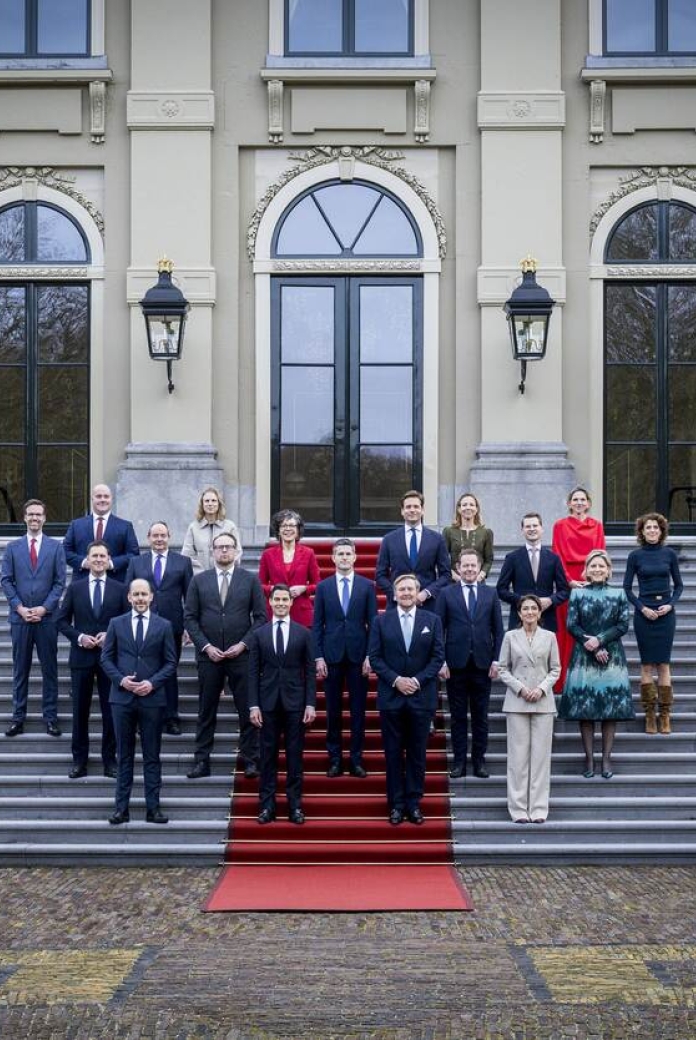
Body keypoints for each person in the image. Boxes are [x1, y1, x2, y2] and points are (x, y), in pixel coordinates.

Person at [184, 531, 266, 779]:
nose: (223, 551)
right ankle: (201, 761)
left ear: (236, 550)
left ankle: (251, 759)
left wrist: (243, 644)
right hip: (209, 657)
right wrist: (206, 647)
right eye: (219, 547)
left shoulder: (250, 580)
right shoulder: (199, 581)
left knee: (246, 709)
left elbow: (261, 618)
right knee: (206, 710)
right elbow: (189, 617)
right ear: (212, 551)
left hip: (241, 656)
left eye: (228, 547)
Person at [368, 573, 445, 825]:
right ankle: (396, 804)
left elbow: (437, 658)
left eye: (410, 589)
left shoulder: (432, 621)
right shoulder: (381, 621)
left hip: (422, 698)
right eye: (401, 589)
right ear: (394, 593)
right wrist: (396, 680)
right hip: (391, 697)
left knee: (416, 753)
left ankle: (413, 803)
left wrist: (417, 681)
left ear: (417, 592)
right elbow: (375, 658)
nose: (406, 593)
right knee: (392, 753)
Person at [101, 579, 177, 824]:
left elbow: (170, 662)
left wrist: (152, 683)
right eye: (137, 594)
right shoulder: (116, 623)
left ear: (151, 597)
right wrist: (121, 680)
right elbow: (106, 659)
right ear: (129, 598)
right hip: (122, 699)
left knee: (152, 755)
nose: (141, 598)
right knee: (124, 755)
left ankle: (153, 808)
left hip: (152, 699)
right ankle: (121, 809)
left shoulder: (164, 625)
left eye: (145, 594)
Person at [557, 550, 634, 779]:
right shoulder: (578, 595)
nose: (597, 570)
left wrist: (600, 640)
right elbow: (572, 624)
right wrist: (590, 643)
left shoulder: (619, 593)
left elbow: (623, 625)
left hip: (612, 657)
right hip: (584, 657)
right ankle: (589, 759)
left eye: (601, 566)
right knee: (586, 710)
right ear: (586, 570)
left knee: (610, 710)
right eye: (593, 566)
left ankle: (606, 759)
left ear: (608, 570)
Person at [57, 540, 127, 778]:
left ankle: (110, 761)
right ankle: (79, 760)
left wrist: (111, 634)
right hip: (81, 658)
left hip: (110, 660)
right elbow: (61, 621)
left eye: (102, 556)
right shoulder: (75, 588)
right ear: (87, 560)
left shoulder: (120, 588)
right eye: (94, 556)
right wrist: (79, 637)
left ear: (108, 560)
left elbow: (127, 621)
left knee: (110, 712)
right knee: (80, 712)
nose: (98, 560)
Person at [248, 584, 317, 824]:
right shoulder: (258, 634)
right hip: (266, 705)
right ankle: (267, 806)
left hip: (295, 704)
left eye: (284, 599)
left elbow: (309, 671)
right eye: (276, 599)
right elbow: (252, 671)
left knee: (294, 757)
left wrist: (310, 704)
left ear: (291, 602)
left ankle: (295, 805)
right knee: (267, 757)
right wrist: (253, 705)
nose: (280, 603)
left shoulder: (304, 634)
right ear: (270, 602)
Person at [435, 548, 504, 779]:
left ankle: (479, 761)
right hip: (455, 664)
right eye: (465, 565)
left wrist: (496, 660)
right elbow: (438, 630)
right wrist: (441, 661)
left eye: (473, 565)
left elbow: (498, 630)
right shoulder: (446, 594)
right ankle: (458, 763)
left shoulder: (490, 594)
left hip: (483, 664)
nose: (469, 569)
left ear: (480, 567)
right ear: (458, 568)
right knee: (457, 717)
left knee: (480, 716)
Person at [313, 538, 377, 778]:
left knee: (358, 711)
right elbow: (317, 625)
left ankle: (356, 759)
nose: (344, 558)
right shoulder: (323, 587)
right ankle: (335, 759)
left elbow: (373, 623)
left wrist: (371, 655)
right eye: (339, 554)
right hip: (331, 657)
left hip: (359, 657)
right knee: (333, 711)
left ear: (355, 557)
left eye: (348, 554)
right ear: (332, 558)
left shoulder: (366, 586)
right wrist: (318, 656)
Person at [1, 499, 66, 737]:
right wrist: (19, 608)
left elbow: (60, 582)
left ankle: (50, 718)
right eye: (30, 514)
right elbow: (6, 580)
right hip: (20, 620)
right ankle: (18, 718)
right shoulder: (13, 548)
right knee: (20, 670)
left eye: (39, 514)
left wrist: (44, 608)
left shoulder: (56, 547)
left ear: (44, 518)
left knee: (50, 670)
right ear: (25, 517)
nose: (35, 518)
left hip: (46, 620)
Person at [125, 521, 194, 735]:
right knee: (141, 670)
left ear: (169, 536)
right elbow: (127, 594)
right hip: (141, 626)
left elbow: (190, 597)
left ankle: (170, 717)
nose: (159, 539)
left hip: (172, 627)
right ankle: (139, 718)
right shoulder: (136, 562)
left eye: (163, 535)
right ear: (148, 538)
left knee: (169, 671)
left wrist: (188, 627)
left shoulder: (182, 562)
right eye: (155, 535)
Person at [497, 595, 560, 824]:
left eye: (534, 608)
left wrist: (541, 689)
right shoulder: (510, 637)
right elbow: (503, 668)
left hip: (543, 702)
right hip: (517, 702)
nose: (530, 612)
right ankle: (518, 809)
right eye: (526, 608)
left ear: (540, 613)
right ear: (519, 613)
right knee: (518, 758)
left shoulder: (550, 637)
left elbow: (555, 669)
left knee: (541, 758)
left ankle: (539, 808)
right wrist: (521, 689)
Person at [623, 512, 683, 735]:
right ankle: (649, 716)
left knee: (664, 665)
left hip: (666, 614)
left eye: (655, 528)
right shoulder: (634, 556)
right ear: (642, 531)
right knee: (647, 665)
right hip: (644, 614)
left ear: (661, 531)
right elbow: (627, 588)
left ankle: (665, 715)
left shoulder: (669, 554)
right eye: (648, 528)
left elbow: (678, 586)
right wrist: (642, 608)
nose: (652, 531)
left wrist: (670, 605)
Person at [551, 486, 606, 691]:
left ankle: (589, 678)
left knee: (591, 627)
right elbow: (557, 555)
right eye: (575, 499)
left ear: (589, 503)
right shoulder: (560, 525)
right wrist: (568, 581)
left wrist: (593, 578)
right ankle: (564, 680)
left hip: (592, 578)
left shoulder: (597, 526)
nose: (579, 503)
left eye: (583, 499)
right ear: (569, 503)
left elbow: (600, 554)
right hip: (568, 582)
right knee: (567, 630)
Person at [375, 490, 451, 608]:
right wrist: (396, 594)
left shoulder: (437, 539)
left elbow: (446, 575)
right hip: (397, 606)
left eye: (416, 506)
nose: (412, 510)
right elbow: (380, 575)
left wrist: (426, 593)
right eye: (408, 507)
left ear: (422, 510)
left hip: (427, 605)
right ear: (402, 511)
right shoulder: (389, 539)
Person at [496, 512, 570, 632]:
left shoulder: (553, 558)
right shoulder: (512, 558)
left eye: (535, 526)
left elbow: (565, 590)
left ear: (541, 529)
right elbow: (501, 589)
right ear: (522, 530)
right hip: (519, 621)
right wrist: (521, 600)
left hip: (546, 620)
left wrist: (551, 600)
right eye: (528, 526)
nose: (532, 529)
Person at [63, 483, 139, 584]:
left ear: (111, 499)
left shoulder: (125, 526)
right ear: (92, 499)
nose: (102, 499)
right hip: (82, 585)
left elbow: (133, 554)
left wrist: (111, 564)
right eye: (98, 496)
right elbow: (64, 551)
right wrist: (85, 562)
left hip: (114, 584)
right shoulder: (76, 525)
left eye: (106, 496)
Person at [258, 509, 320, 627]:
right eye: (283, 525)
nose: (287, 529)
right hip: (275, 611)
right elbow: (260, 585)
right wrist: (273, 589)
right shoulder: (268, 554)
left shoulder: (308, 553)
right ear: (278, 530)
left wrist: (303, 589)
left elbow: (318, 585)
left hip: (301, 613)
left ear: (298, 530)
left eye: (292, 525)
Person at [181, 486, 242, 574]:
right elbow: (187, 555)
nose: (210, 504)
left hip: (224, 577)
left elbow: (237, 553)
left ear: (219, 503)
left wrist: (222, 571)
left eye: (213, 500)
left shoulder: (230, 526)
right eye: (207, 501)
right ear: (202, 504)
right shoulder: (193, 528)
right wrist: (202, 574)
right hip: (200, 578)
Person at [441, 492, 494, 582]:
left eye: (471, 505)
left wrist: (480, 577)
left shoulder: (486, 532)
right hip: (454, 583)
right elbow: (443, 559)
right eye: (464, 505)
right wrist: (456, 578)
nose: (468, 507)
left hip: (478, 582)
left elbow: (488, 560)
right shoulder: (448, 531)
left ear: (476, 509)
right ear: (459, 509)